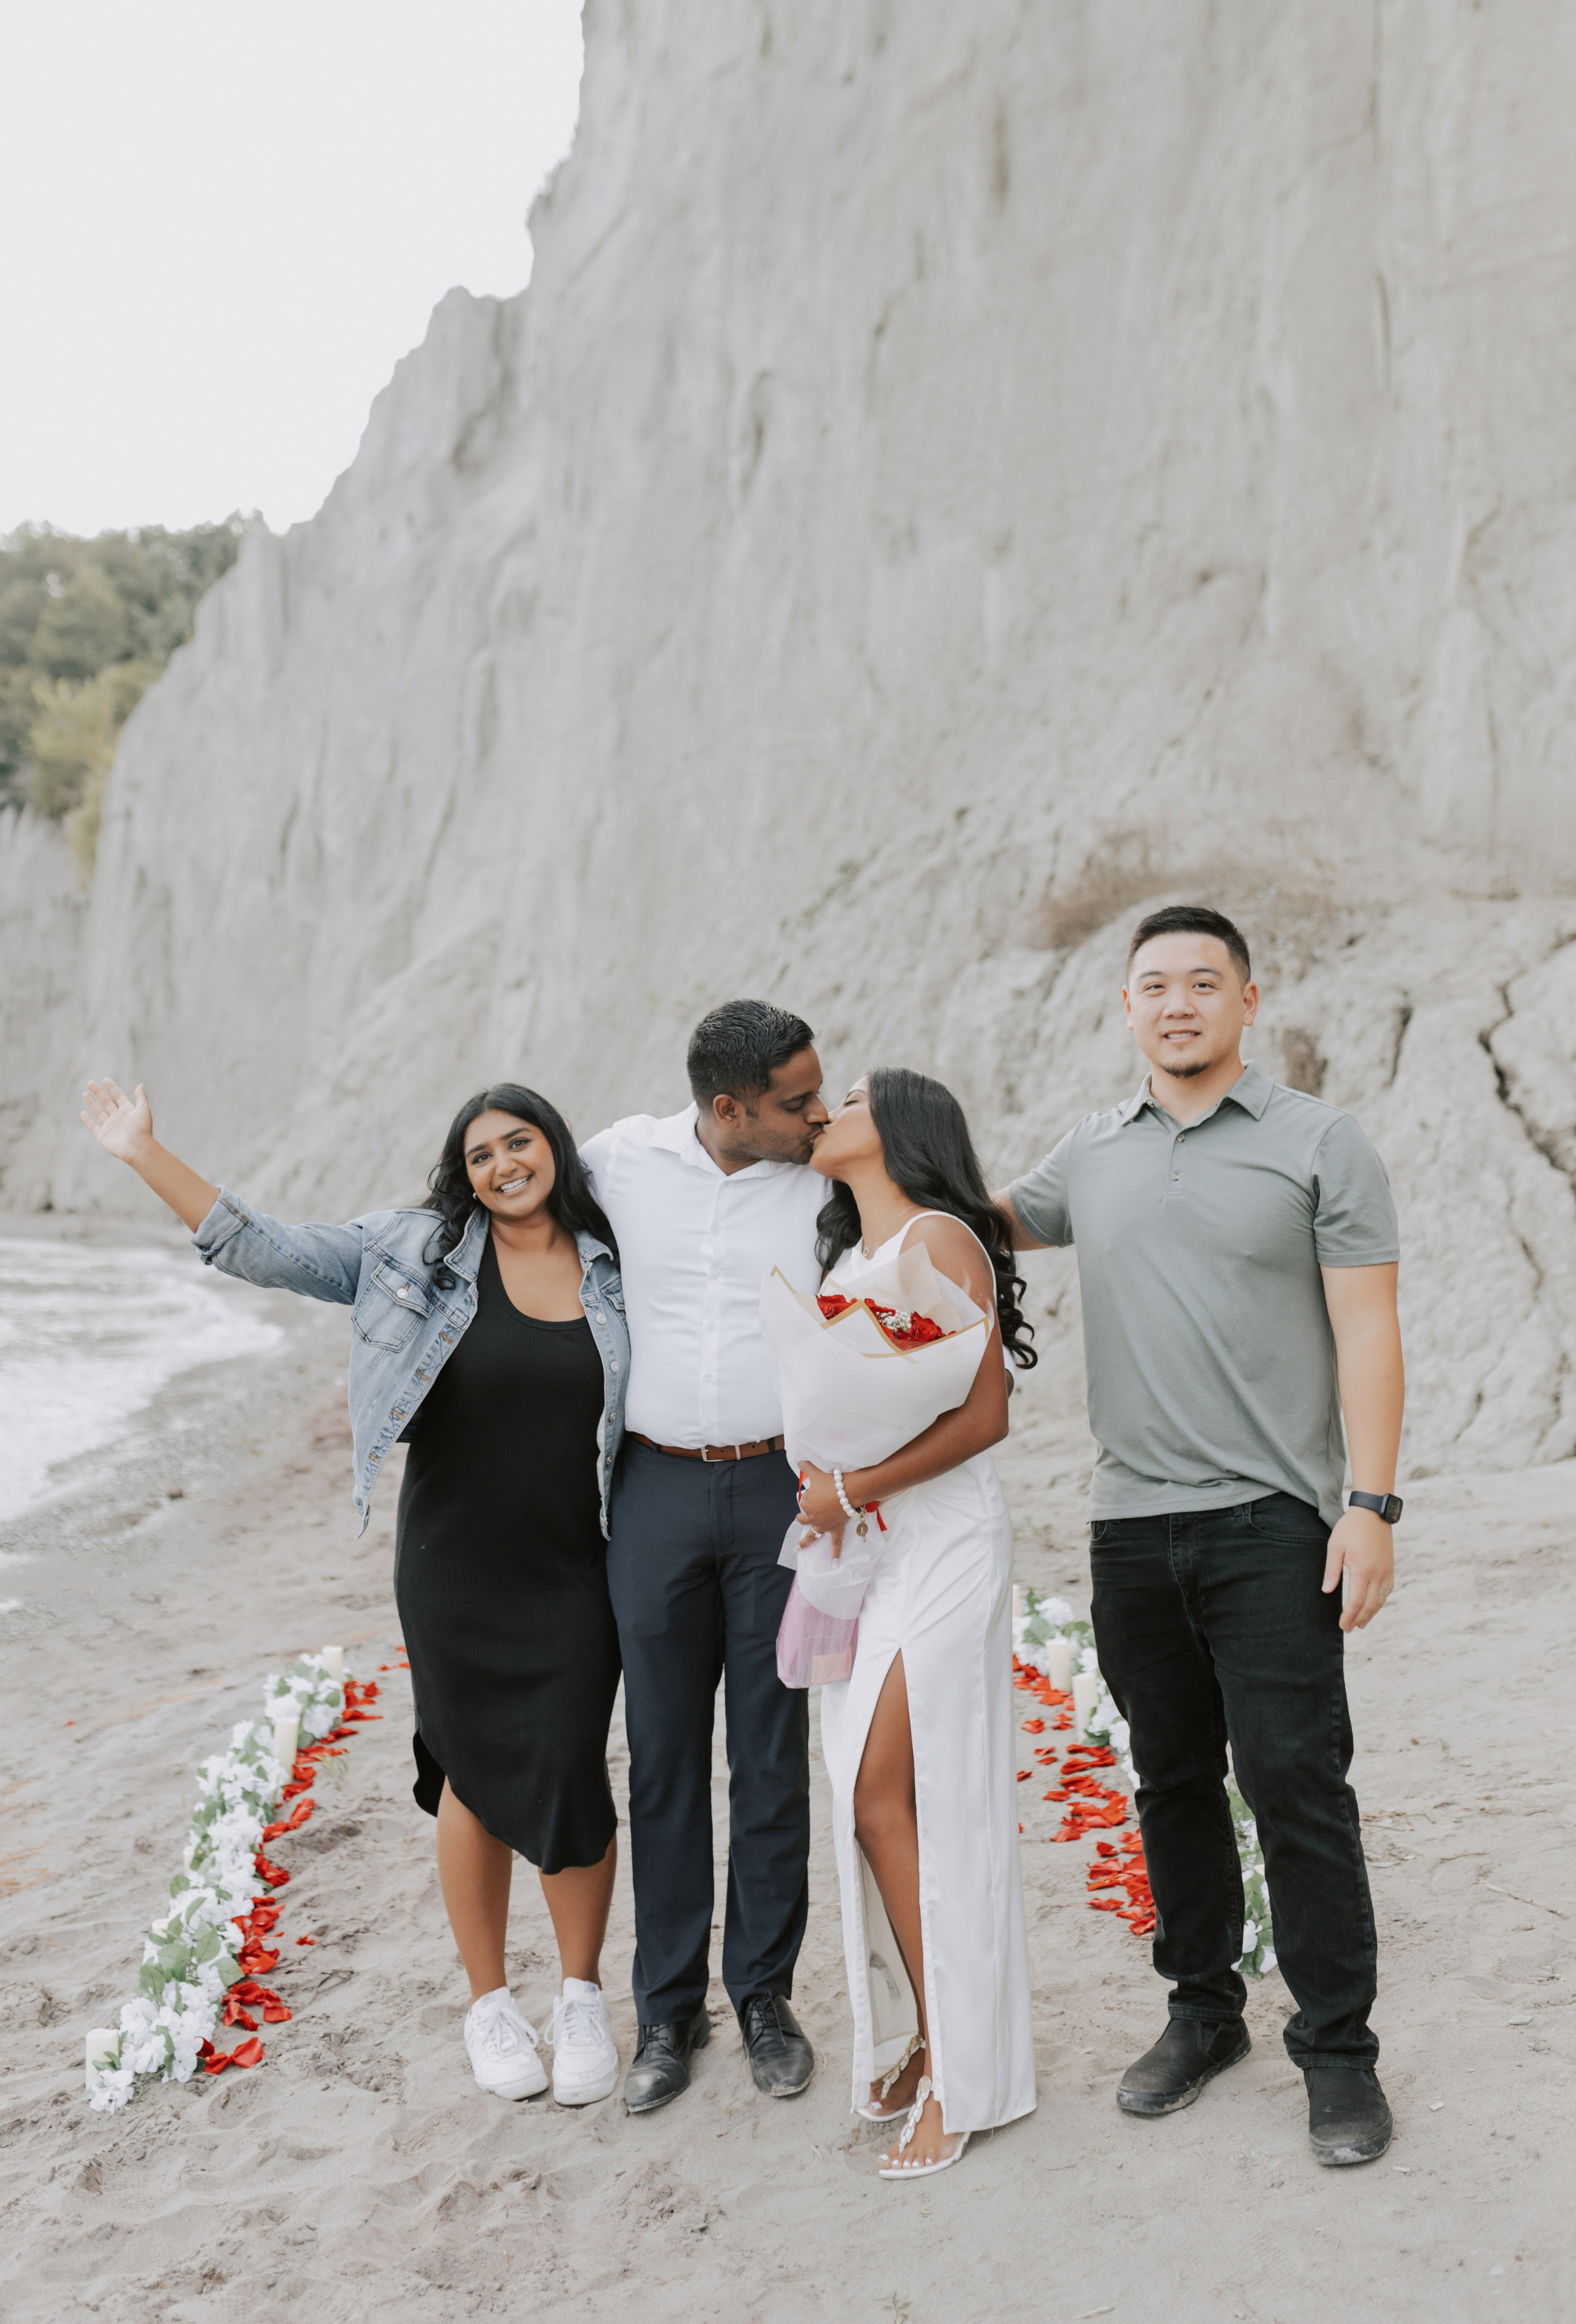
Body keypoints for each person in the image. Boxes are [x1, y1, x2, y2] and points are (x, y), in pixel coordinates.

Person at [79, 1075, 630, 2112]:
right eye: (482, 1156)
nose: (504, 1165)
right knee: (469, 1773)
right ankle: (489, 2005)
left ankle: (582, 1994)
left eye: (520, 1144)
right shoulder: (412, 1254)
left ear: (554, 1147)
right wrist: (144, 1152)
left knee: (568, 1767)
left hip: (576, 1563)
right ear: (463, 1175)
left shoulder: (614, 1266)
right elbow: (269, 1252)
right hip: (454, 1564)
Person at [995, 904, 1405, 2168]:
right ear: (1125, 1008)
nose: (1176, 1003)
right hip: (1129, 1527)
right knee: (1168, 1780)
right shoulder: (1092, 1153)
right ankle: (1201, 2012)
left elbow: (1367, 1330)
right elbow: (973, 1224)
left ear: (1246, 999)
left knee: (1293, 1780)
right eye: (1152, 985)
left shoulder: (1315, 1142)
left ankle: (1336, 2055)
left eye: (1201, 982)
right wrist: (844, 1153)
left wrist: (1370, 1505)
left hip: (1273, 1525)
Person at [579, 1001, 829, 2112]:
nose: (817, 1111)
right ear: (728, 1109)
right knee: (665, 1757)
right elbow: (508, 1221)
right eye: (794, 1100)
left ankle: (765, 1996)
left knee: (771, 1754)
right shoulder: (619, 1162)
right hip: (655, 1490)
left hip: (785, 1489)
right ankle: (667, 2013)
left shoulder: (834, 1172)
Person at [799, 1067, 1038, 2180]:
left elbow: (984, 1412)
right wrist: (826, 1468)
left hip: (940, 1539)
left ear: (897, 1127)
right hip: (869, 1546)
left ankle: (958, 2070)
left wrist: (853, 1489)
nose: (824, 1114)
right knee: (866, 1797)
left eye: (846, 1097)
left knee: (892, 1791)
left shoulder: (943, 1239)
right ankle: (933, 2036)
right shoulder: (848, 1260)